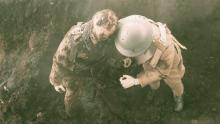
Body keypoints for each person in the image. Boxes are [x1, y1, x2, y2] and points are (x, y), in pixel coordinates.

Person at [49, 9, 118, 122]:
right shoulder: (74, 40)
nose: (106, 37)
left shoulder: (108, 34)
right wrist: (55, 82)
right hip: (73, 73)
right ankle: (70, 114)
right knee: (72, 94)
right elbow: (58, 61)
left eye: (108, 35)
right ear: (95, 24)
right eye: (103, 35)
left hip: (94, 67)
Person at [115, 15, 187, 112]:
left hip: (168, 65)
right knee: (151, 78)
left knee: (174, 81)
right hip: (149, 61)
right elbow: (134, 46)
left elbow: (162, 72)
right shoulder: (135, 29)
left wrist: (136, 81)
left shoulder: (165, 47)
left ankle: (178, 96)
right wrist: (130, 59)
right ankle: (154, 89)